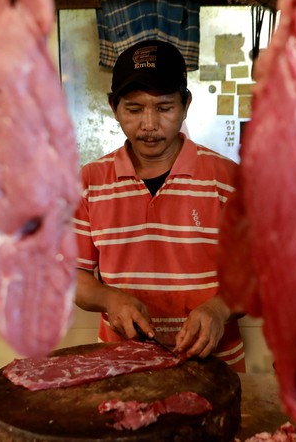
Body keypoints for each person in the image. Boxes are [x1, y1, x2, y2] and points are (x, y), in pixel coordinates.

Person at [73, 39, 245, 371]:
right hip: (122, 365)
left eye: (164, 108)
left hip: (214, 366)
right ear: (114, 107)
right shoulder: (90, 182)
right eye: (134, 109)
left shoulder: (227, 179)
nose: (149, 124)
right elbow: (75, 278)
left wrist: (218, 309)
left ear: (185, 104)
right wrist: (110, 298)